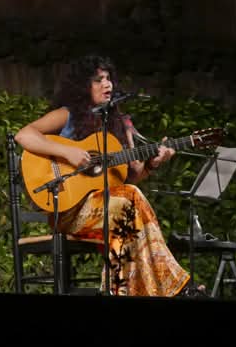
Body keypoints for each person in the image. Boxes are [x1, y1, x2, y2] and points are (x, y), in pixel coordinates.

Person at [14, 54, 191, 297]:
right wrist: (67, 151)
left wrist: (152, 165)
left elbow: (129, 178)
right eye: (98, 80)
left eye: (108, 79)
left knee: (128, 204)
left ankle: (122, 290)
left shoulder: (121, 126)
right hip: (68, 211)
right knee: (128, 203)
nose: (107, 84)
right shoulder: (68, 116)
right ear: (82, 85)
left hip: (111, 209)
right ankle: (170, 288)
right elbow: (23, 136)